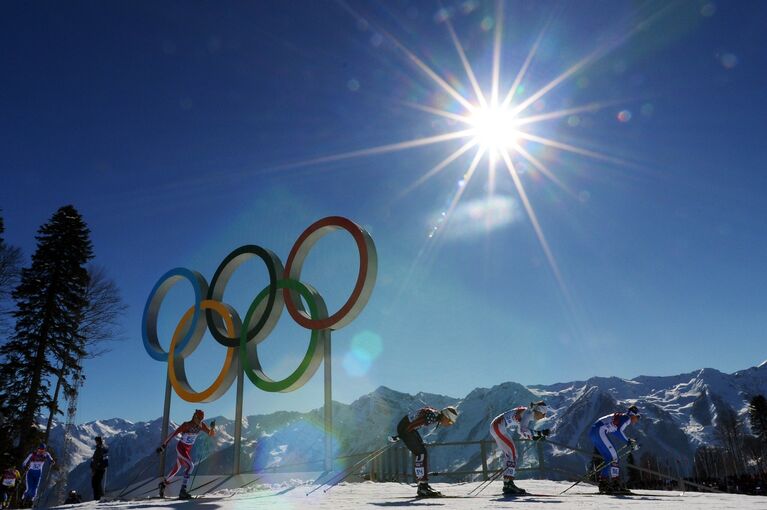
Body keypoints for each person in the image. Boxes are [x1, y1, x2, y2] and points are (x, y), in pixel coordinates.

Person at [396, 406, 458, 498]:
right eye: (449, 421)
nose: (449, 424)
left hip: (407, 428)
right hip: (406, 429)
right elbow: (413, 424)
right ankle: (422, 487)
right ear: (445, 416)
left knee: (422, 453)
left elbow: (422, 413)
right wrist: (400, 436)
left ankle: (423, 485)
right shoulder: (432, 417)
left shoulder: (435, 415)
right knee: (421, 454)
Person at [489, 401, 548, 495]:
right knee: (512, 453)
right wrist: (539, 434)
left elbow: (521, 432)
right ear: (539, 411)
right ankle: (508, 484)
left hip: (497, 426)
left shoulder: (528, 412)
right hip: (498, 426)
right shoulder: (528, 413)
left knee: (512, 454)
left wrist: (534, 437)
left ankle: (508, 483)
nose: (544, 417)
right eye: (544, 414)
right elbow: (523, 430)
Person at [156, 409, 215, 499]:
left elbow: (211, 434)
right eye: (198, 418)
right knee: (190, 466)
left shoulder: (201, 425)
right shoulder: (186, 425)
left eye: (201, 419)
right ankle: (183, 491)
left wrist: (212, 428)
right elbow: (173, 434)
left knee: (176, 469)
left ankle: (163, 484)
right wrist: (163, 445)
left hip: (187, 450)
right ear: (194, 416)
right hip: (181, 448)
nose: (199, 421)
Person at [589, 404, 641, 494]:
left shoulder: (622, 416)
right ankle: (615, 484)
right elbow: (618, 431)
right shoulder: (627, 418)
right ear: (633, 415)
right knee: (614, 458)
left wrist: (628, 441)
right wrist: (628, 441)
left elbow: (615, 431)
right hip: (599, 431)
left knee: (609, 458)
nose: (638, 420)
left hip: (594, 432)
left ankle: (604, 483)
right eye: (638, 417)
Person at [90, 436, 109, 501]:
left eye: (96, 441)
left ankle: (98, 497)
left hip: (99, 468)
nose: (96, 442)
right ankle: (98, 496)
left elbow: (102, 458)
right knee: (96, 482)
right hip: (98, 468)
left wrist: (98, 465)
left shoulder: (101, 448)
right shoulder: (100, 448)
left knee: (96, 482)